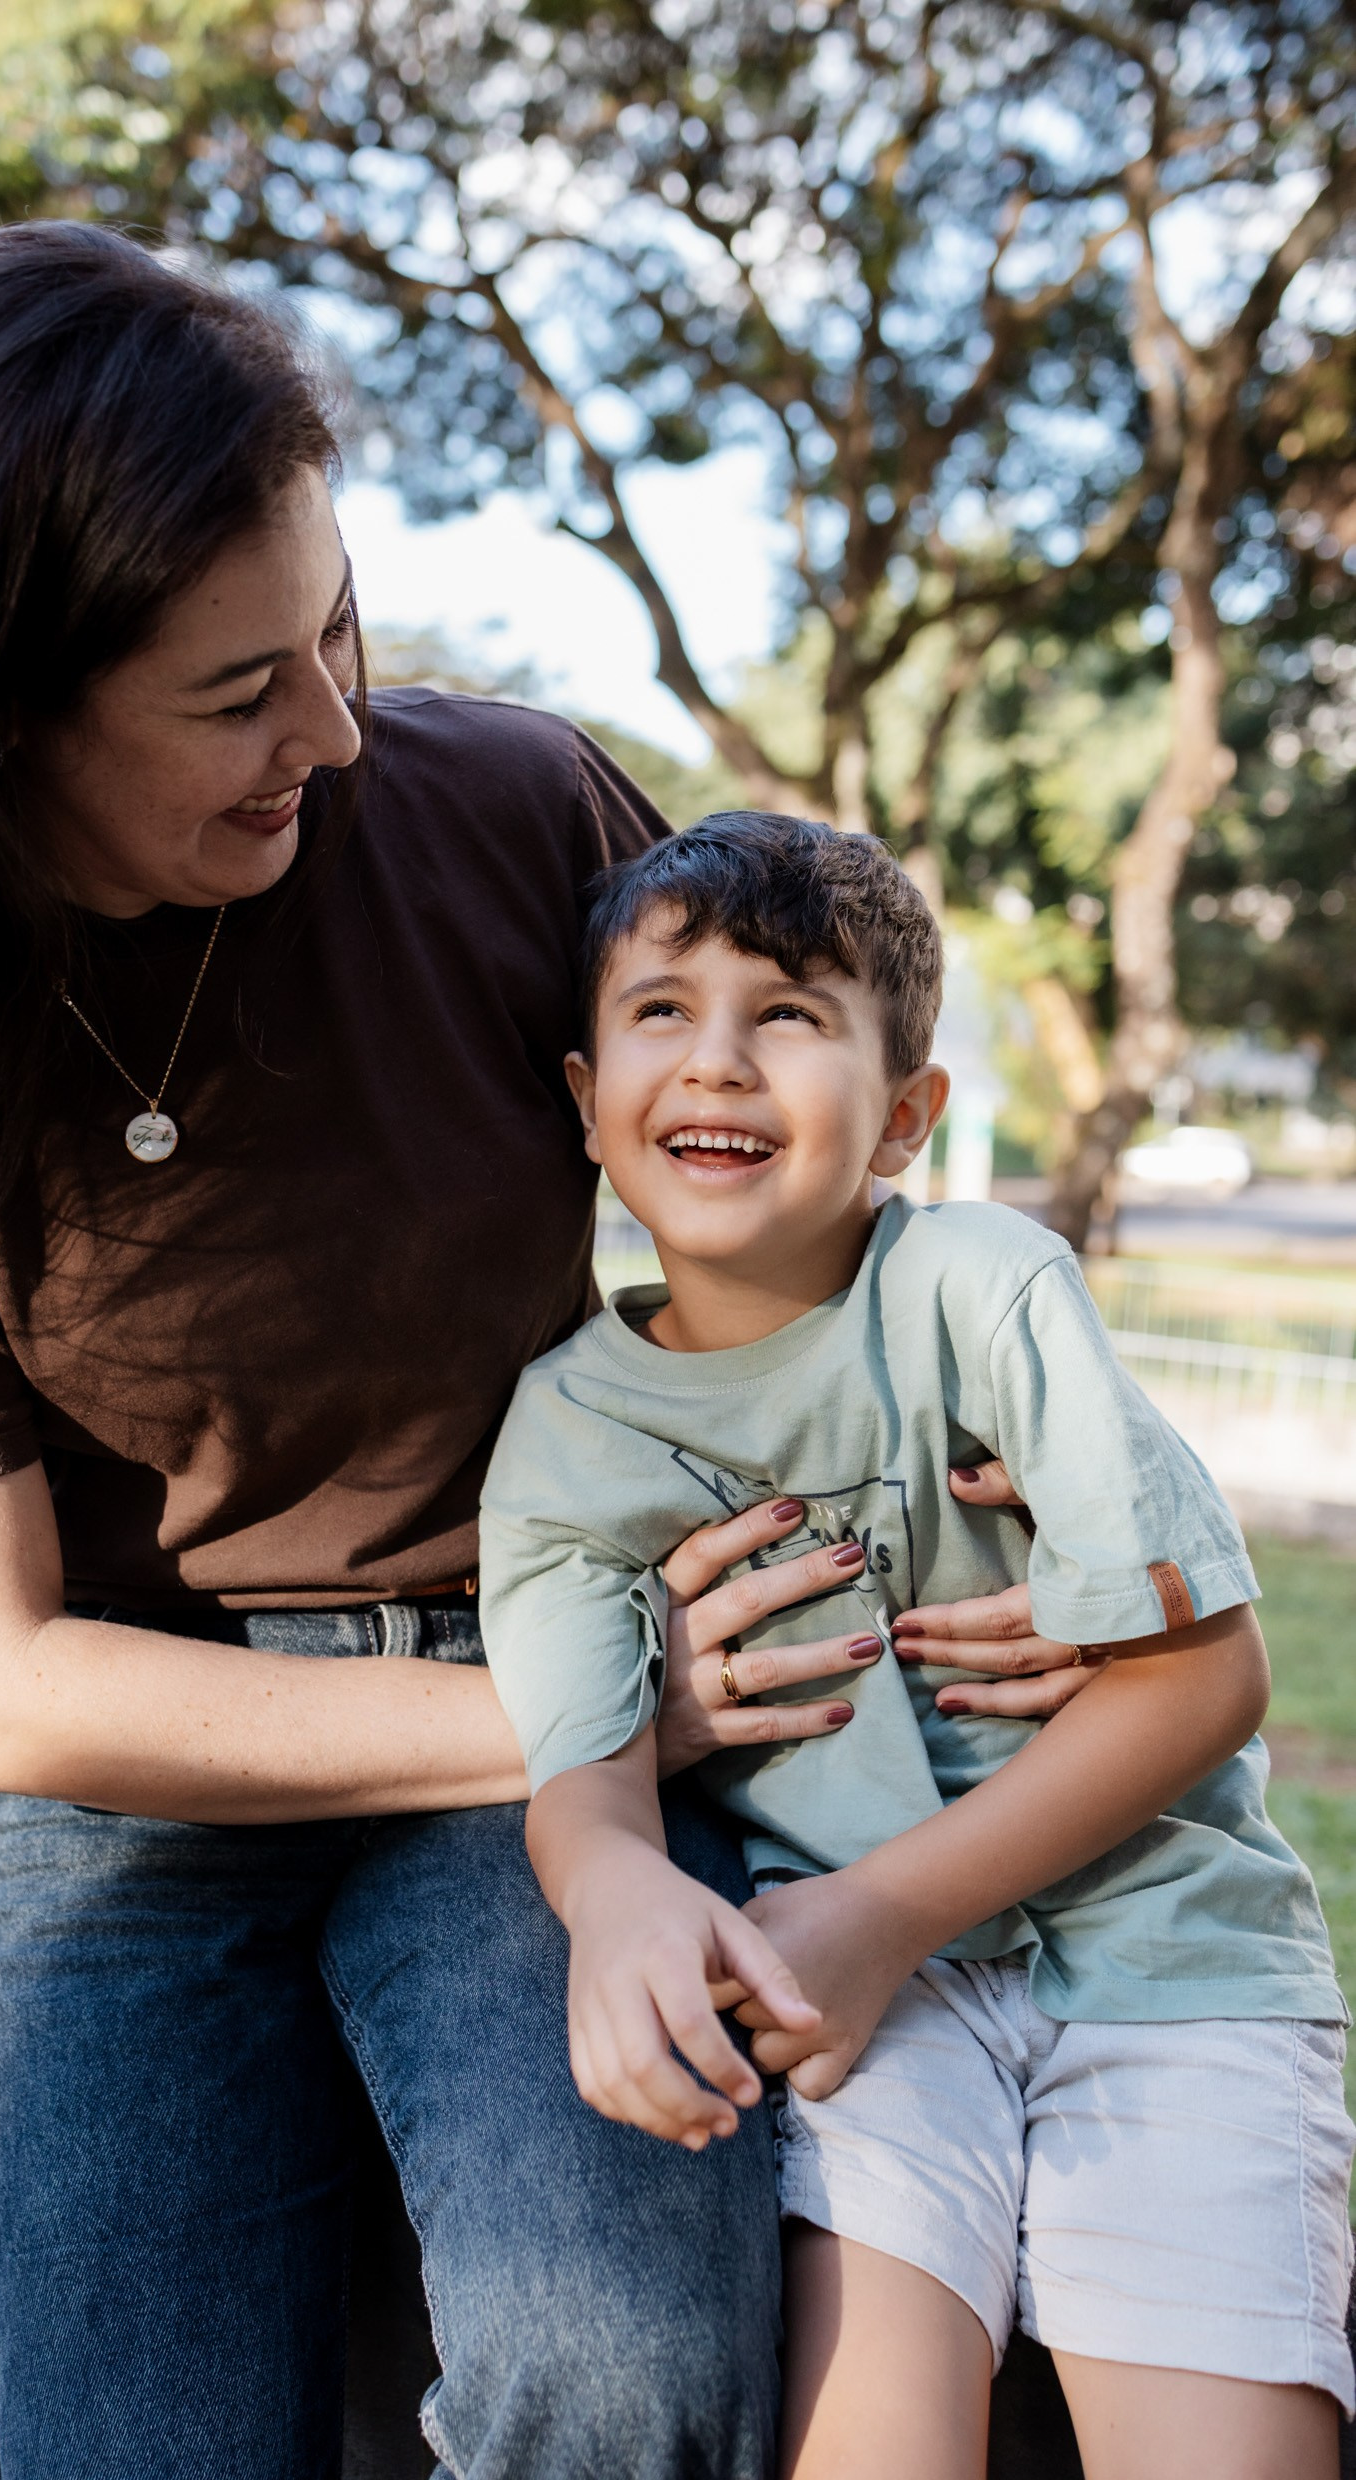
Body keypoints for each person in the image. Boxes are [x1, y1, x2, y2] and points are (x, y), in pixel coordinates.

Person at [0, 223, 1106, 2479]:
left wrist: (985, 1445)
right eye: (236, 690)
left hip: (532, 1689)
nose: (332, 728)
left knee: (623, 2380)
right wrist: (604, 1700)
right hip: (128, 1780)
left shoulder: (497, 808)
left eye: (335, 627)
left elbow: (789, 1155)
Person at [481, 813, 1356, 2480]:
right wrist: (613, 1904)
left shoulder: (986, 1287)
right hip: (867, 2015)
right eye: (661, 1012)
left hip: (1169, 1960)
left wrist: (876, 1914)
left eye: (789, 1013)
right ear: (586, 1099)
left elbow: (1210, 1674)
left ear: (904, 1114)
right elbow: (581, 1779)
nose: (719, 1063)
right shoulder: (563, 1440)